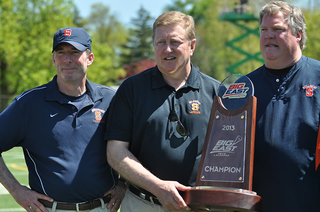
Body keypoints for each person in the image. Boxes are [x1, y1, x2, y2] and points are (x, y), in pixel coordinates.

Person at [0, 27, 126, 212]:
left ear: (90, 58)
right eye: (60, 52)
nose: (67, 59)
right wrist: (16, 190)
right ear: (53, 59)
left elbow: (138, 146)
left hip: (103, 208)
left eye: (75, 52)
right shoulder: (28, 104)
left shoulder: (110, 100)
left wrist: (123, 185)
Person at [105, 11, 220, 212]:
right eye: (160, 42)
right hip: (143, 204)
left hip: (200, 206)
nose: (167, 49)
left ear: (192, 46)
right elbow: (115, 152)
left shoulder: (216, 92)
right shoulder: (132, 89)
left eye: (175, 41)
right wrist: (158, 187)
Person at [246, 1, 320, 211]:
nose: (268, 35)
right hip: (255, 206)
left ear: (297, 34)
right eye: (263, 30)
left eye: (277, 29)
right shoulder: (242, 88)